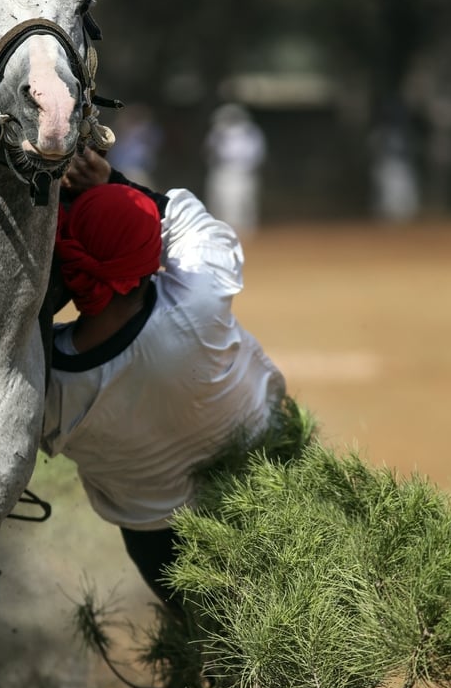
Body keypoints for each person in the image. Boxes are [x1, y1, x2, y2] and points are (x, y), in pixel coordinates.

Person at [41, 146, 287, 604]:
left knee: (212, 645)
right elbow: (189, 221)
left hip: (160, 548)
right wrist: (113, 181)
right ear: (149, 256)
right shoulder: (198, 300)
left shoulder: (50, 388)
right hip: (267, 473)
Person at [204, 102, 266, 238]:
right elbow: (210, 151)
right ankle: (221, 231)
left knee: (242, 202)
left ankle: (244, 232)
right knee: (220, 203)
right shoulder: (218, 132)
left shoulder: (249, 132)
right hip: (221, 171)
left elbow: (256, 153)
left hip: (242, 172)